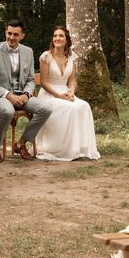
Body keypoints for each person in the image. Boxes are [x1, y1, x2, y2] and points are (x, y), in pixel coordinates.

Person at [0, 19, 52, 162]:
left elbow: (31, 79)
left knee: (45, 109)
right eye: (9, 33)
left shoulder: (28, 51)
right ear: (5, 33)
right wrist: (8, 95)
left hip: (21, 95)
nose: (11, 37)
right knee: (8, 111)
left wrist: (26, 94)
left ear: (22, 36)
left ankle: (20, 144)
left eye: (15, 35)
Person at [35, 27, 99, 161]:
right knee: (71, 108)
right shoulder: (46, 56)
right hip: (48, 94)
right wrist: (59, 96)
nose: (57, 38)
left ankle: (81, 148)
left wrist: (71, 93)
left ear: (67, 40)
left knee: (84, 106)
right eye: (55, 36)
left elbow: (72, 80)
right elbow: (44, 82)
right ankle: (63, 149)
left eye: (61, 36)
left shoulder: (71, 57)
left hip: (66, 92)